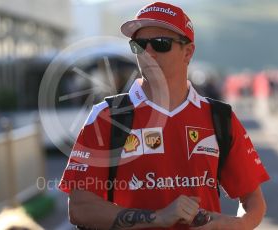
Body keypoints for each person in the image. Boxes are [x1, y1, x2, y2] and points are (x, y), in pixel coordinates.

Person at [59, 2, 270, 229]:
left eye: (161, 44)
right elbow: (80, 207)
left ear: (187, 52)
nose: (148, 52)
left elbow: (254, 201)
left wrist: (235, 224)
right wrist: (158, 217)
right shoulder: (106, 117)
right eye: (139, 45)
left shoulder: (220, 117)